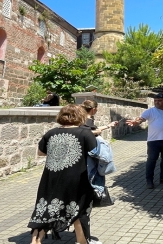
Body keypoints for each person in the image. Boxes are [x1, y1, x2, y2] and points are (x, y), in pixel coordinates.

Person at [27, 104, 101, 244]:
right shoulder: (85, 133)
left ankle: (35, 240)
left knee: (45, 208)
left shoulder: (51, 132)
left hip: (51, 177)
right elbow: (96, 154)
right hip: (77, 178)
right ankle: (82, 241)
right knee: (79, 209)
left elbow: (41, 152)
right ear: (81, 116)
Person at [127, 93, 163, 189]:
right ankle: (149, 180)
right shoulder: (150, 111)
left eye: (160, 100)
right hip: (154, 141)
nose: (157, 102)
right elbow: (141, 119)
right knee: (151, 160)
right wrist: (136, 122)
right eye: (155, 101)